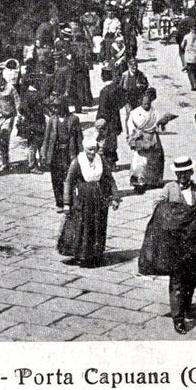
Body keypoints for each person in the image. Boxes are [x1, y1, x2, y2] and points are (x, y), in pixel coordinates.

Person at [161, 156, 196, 334]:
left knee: (192, 277)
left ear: (191, 173)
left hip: (192, 243)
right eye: (179, 174)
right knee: (177, 281)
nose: (183, 176)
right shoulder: (169, 189)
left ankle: (187, 305)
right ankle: (178, 318)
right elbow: (158, 208)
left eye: (186, 173)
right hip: (175, 244)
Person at [58, 128, 120, 267]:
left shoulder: (101, 160)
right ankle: (81, 255)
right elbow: (68, 182)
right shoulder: (77, 162)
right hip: (82, 200)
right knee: (82, 227)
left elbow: (110, 178)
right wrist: (67, 203)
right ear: (85, 150)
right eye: (90, 150)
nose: (93, 153)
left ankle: (96, 254)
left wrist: (115, 197)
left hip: (98, 198)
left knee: (98, 226)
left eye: (94, 150)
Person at [41, 97, 84, 212]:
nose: (54, 109)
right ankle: (59, 202)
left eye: (57, 106)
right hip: (55, 153)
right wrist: (44, 153)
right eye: (53, 107)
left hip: (68, 152)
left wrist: (81, 153)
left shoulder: (74, 119)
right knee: (56, 178)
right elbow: (46, 137)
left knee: (69, 176)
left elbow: (79, 137)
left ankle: (69, 201)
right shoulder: (52, 120)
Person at [127, 87, 172, 193]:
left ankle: (153, 181)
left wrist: (163, 123)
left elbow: (158, 127)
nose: (147, 105)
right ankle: (138, 183)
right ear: (141, 102)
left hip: (153, 137)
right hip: (141, 138)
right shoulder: (135, 113)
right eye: (144, 104)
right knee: (141, 162)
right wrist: (133, 137)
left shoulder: (155, 112)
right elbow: (131, 126)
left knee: (156, 159)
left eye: (148, 104)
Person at [95, 74, 124, 173]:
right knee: (113, 142)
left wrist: (99, 120)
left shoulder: (104, 91)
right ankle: (113, 164)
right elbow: (123, 100)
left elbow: (102, 108)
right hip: (115, 119)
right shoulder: (117, 88)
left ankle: (108, 164)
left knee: (104, 142)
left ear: (103, 78)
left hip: (106, 121)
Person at [18, 81, 46, 172]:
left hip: (30, 123)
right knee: (38, 144)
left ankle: (33, 164)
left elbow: (21, 109)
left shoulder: (25, 95)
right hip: (37, 122)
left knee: (32, 145)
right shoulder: (37, 95)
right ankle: (35, 165)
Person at [119, 59, 150, 135]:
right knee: (129, 115)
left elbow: (146, 85)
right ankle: (129, 133)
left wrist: (141, 86)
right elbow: (120, 87)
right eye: (133, 66)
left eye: (136, 66)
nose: (135, 68)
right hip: (128, 99)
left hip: (138, 99)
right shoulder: (124, 75)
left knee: (138, 115)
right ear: (129, 66)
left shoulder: (141, 74)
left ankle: (137, 132)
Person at [179, 23, 196, 91]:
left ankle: (194, 84)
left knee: (190, 71)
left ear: (190, 29)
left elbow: (182, 46)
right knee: (195, 70)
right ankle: (194, 82)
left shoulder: (186, 36)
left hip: (189, 56)